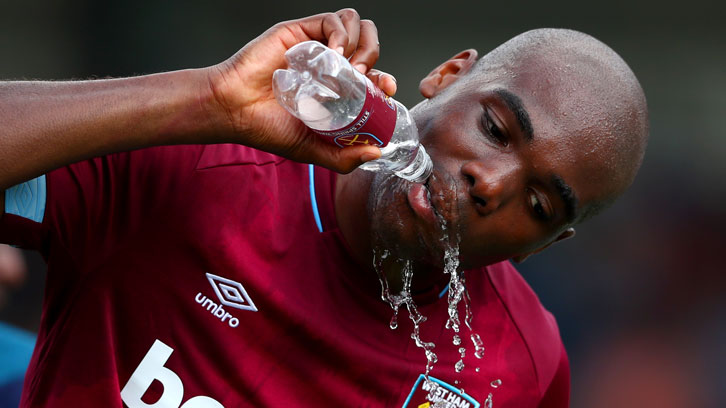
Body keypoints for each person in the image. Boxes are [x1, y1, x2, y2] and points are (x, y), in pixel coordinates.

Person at [0, 8, 648, 408]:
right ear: (448, 76)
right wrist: (208, 99)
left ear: (545, 245)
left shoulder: (520, 368)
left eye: (537, 203)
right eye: (497, 130)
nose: (488, 182)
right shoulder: (193, 161)